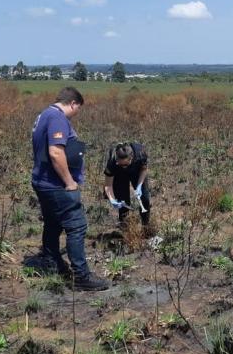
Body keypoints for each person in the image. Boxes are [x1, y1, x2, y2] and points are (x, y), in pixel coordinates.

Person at [31, 87, 109, 291]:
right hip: (56, 185)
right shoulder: (57, 118)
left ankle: (52, 262)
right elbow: (56, 152)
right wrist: (69, 182)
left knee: (52, 223)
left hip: (43, 182)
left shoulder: (44, 115)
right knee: (77, 226)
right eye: (77, 109)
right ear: (73, 103)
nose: (76, 114)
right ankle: (82, 276)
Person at [103, 142, 152, 229]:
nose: (123, 167)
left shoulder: (140, 153)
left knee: (144, 198)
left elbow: (144, 170)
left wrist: (139, 185)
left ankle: (146, 226)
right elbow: (108, 185)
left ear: (131, 158)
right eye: (120, 164)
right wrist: (112, 199)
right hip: (119, 175)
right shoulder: (112, 161)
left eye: (125, 164)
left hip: (136, 171)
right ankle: (124, 229)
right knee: (123, 202)